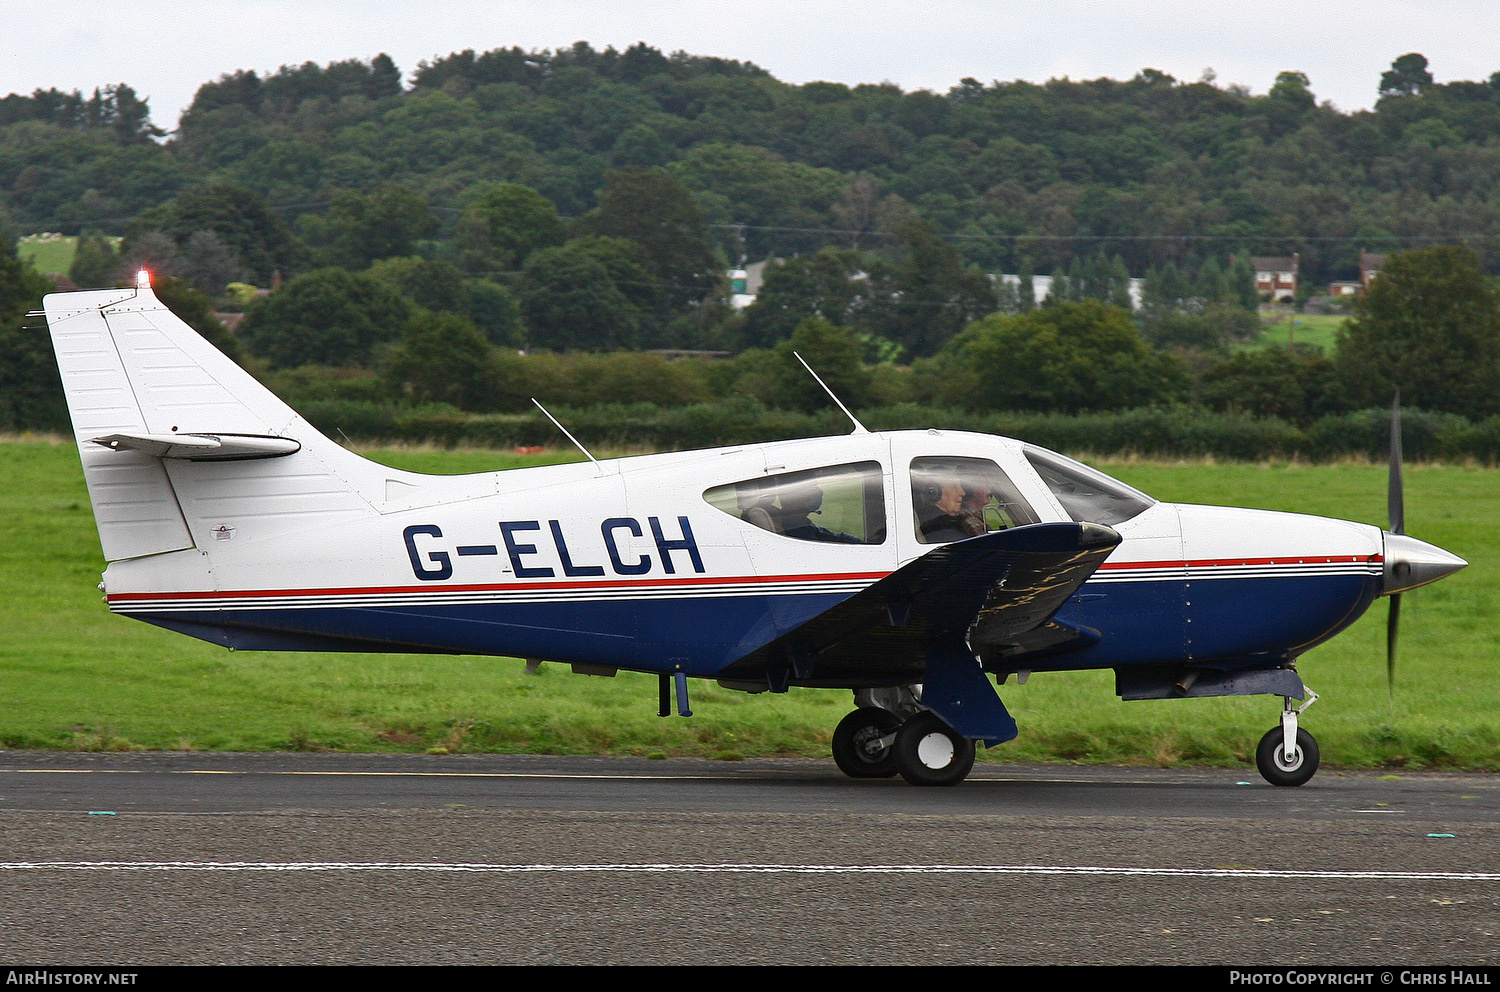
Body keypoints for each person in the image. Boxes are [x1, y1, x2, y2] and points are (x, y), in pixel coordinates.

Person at [776, 485, 863, 543]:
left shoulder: (799, 521)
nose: (817, 492)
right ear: (797, 500)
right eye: (809, 493)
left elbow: (826, 535)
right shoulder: (797, 529)